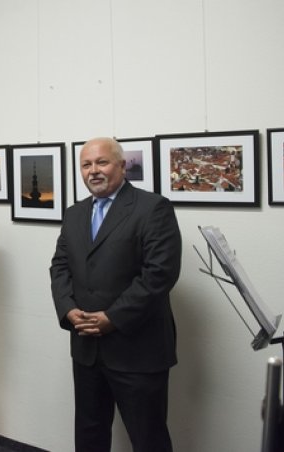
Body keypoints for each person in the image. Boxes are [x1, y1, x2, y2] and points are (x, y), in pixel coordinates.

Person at [50, 137, 182, 452]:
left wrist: (112, 318)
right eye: (86, 164)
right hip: (86, 347)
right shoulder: (74, 213)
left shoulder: (153, 208)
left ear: (122, 166)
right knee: (90, 434)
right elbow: (59, 268)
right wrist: (68, 309)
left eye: (102, 162)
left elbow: (159, 274)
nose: (93, 170)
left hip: (137, 349)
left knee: (148, 438)